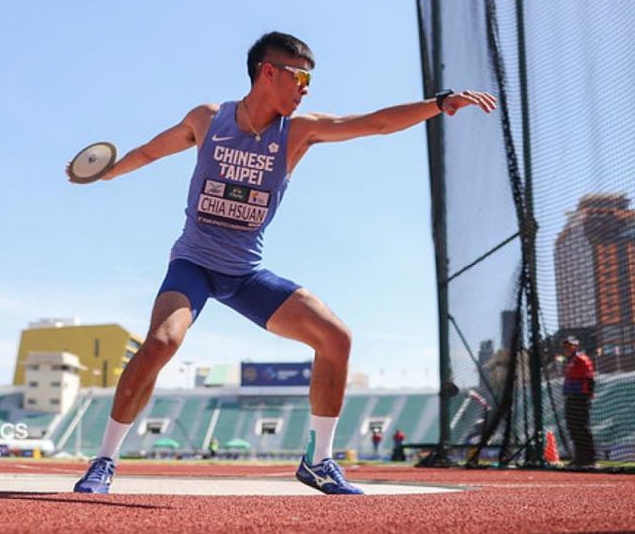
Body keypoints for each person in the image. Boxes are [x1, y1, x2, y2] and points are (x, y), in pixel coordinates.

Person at [68, 32, 497, 494]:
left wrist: (437, 104)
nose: (307, 88)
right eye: (301, 76)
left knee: (336, 338)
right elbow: (151, 151)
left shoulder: (297, 133)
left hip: (246, 274)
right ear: (267, 72)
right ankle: (104, 461)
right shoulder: (208, 119)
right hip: (193, 263)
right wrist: (108, 171)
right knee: (161, 342)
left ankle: (319, 461)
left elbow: (374, 123)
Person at [562, 336, 596, 468]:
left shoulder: (581, 359)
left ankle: (589, 458)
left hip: (580, 396)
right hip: (571, 396)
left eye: (570, 346)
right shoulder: (569, 361)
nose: (567, 349)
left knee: (581, 426)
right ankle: (579, 457)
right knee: (573, 427)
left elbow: (589, 377)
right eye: (565, 346)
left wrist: (589, 394)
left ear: (576, 346)